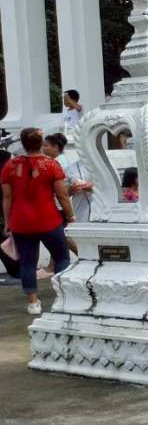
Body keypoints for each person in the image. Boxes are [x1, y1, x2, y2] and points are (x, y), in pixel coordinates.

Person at [1, 128, 75, 315]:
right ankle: (62, 296)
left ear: (23, 144)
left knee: (27, 262)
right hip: (48, 219)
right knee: (62, 257)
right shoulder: (50, 165)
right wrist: (70, 216)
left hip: (21, 221)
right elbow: (62, 194)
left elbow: (7, 197)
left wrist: (8, 221)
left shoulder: (10, 166)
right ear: (41, 143)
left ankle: (33, 302)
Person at [43, 132, 93, 225]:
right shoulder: (68, 166)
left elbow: (61, 193)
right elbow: (66, 190)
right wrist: (71, 189)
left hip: (61, 206)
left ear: (55, 147)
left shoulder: (59, 163)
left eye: (46, 146)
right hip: (70, 205)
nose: (43, 148)